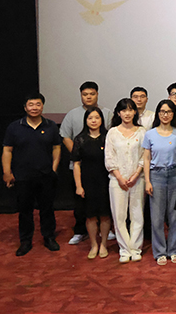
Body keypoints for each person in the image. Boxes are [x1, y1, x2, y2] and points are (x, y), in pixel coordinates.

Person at [2, 93, 62, 256]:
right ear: (25, 107)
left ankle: (49, 237)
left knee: (47, 208)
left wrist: (53, 168)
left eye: (38, 104)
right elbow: (7, 150)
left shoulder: (50, 126)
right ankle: (25, 241)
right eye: (31, 104)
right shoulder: (14, 127)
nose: (34, 108)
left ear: (42, 106)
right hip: (22, 176)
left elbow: (57, 147)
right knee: (24, 210)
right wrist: (7, 172)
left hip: (45, 175)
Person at [60, 81, 112, 246]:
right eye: (85, 94)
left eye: (92, 94)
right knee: (81, 205)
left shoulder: (107, 113)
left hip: (104, 169)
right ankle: (80, 231)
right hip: (81, 168)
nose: (88, 97)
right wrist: (79, 153)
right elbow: (65, 136)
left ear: (97, 94)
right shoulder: (72, 114)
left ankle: (106, 232)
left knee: (105, 204)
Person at [105, 98, 146, 263]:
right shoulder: (112, 132)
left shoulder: (142, 131)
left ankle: (135, 248)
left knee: (137, 215)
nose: (127, 113)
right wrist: (120, 177)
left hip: (138, 179)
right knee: (119, 216)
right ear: (118, 113)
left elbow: (144, 156)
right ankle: (124, 249)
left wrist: (135, 175)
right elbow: (109, 157)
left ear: (135, 112)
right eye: (124, 110)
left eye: (130, 110)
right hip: (117, 181)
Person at [142, 99, 176, 265]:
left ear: (173, 114)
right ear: (158, 113)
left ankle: (174, 250)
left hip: (175, 175)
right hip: (156, 175)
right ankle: (159, 252)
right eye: (162, 112)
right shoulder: (150, 134)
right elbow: (146, 158)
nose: (165, 115)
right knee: (157, 217)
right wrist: (147, 181)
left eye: (169, 112)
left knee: (175, 215)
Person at [72, 107, 111, 259]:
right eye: (90, 118)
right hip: (87, 181)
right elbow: (76, 164)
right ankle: (94, 244)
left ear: (102, 120)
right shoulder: (80, 139)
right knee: (90, 216)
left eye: (97, 118)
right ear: (85, 120)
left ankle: (104, 244)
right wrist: (78, 186)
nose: (94, 121)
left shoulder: (108, 137)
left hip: (106, 181)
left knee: (105, 215)